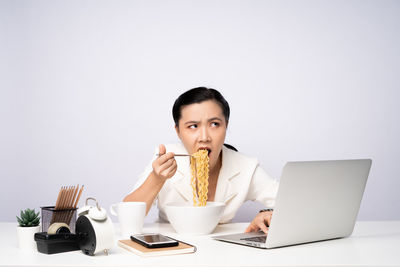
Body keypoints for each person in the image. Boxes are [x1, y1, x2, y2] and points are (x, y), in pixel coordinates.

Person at [124, 87, 279, 234]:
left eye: (214, 124)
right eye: (193, 126)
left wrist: (267, 214)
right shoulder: (166, 156)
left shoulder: (246, 167)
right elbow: (127, 216)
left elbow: (295, 203)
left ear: (226, 126)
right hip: (173, 248)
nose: (204, 137)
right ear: (178, 131)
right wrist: (156, 178)